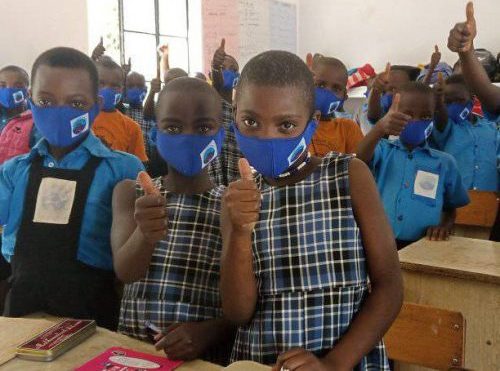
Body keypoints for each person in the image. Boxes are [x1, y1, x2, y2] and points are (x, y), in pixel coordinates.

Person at [220, 50, 402, 369]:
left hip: (349, 362)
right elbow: (238, 312)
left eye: (286, 125)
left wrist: (333, 364)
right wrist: (239, 231)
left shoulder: (349, 176)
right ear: (234, 116)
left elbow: (389, 287)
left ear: (311, 123)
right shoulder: (237, 199)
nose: (267, 137)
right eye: (250, 122)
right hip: (262, 363)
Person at [0, 47, 144, 329]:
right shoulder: (14, 171)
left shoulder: (123, 169)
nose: (59, 112)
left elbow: (132, 259)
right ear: (31, 101)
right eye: (46, 101)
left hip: (93, 317)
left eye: (76, 103)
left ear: (95, 105)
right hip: (22, 315)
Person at [113, 77, 234, 363]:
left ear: (221, 136)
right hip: (130, 353)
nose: (188, 137)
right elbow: (125, 272)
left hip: (199, 359)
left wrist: (209, 332)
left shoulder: (232, 205)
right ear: (154, 134)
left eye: (203, 128)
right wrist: (145, 233)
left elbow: (243, 302)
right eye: (173, 128)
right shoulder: (131, 193)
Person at [357, 83, 470, 249]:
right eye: (407, 115)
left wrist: (444, 226)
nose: (416, 121)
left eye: (425, 117)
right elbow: (359, 159)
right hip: (379, 245)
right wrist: (380, 127)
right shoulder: (382, 149)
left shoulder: (445, 163)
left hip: (424, 246)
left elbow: (450, 207)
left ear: (434, 117)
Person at [432, 74, 498, 191]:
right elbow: (440, 118)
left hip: (489, 201)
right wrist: (438, 99)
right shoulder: (447, 127)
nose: (454, 105)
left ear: (472, 99)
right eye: (448, 102)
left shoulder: (491, 128)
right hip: (454, 202)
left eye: (460, 100)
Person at [92, 57, 148, 162]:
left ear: (122, 90)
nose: (107, 89)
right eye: (101, 83)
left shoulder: (132, 128)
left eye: (114, 86)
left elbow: (139, 168)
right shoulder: (77, 120)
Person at [309, 56, 364, 156]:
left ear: (344, 97)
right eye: (320, 85)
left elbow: (359, 164)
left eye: (336, 88)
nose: (328, 92)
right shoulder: (296, 125)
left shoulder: (348, 128)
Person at [207, 39, 243, 186]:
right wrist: (216, 68)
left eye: (234, 69)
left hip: (237, 175)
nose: (229, 72)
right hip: (214, 177)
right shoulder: (211, 103)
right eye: (224, 67)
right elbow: (218, 85)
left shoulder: (241, 110)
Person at [122, 71, 156, 160]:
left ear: (145, 89)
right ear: (124, 89)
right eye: (130, 86)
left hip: (147, 163)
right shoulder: (121, 110)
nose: (135, 89)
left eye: (139, 86)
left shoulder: (153, 111)